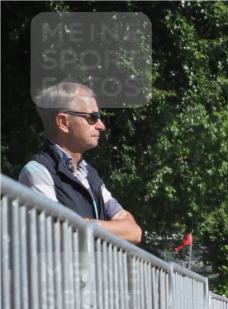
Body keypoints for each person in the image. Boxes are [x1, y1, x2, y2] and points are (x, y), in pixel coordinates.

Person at [19, 82, 142, 243]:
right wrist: (104, 228)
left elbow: (134, 232)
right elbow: (55, 231)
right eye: (93, 117)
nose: (101, 126)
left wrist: (89, 225)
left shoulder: (90, 175)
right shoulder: (37, 172)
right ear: (63, 122)